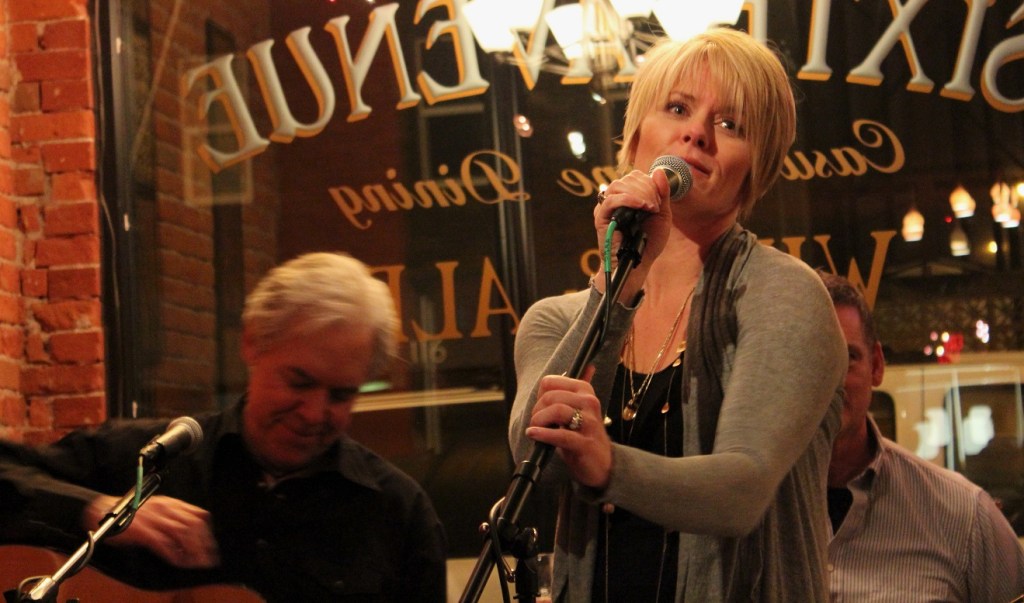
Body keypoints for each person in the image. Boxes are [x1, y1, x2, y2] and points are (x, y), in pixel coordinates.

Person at [509, 28, 847, 602]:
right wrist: (618, 287)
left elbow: (741, 490)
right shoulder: (554, 320)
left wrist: (609, 465)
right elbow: (534, 463)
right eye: (677, 108)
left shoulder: (783, 294)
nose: (697, 133)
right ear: (636, 135)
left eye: (730, 124)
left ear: (756, 166)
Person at [0, 252, 447, 602]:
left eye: (341, 395)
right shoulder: (150, 459)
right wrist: (95, 509)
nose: (314, 414)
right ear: (252, 343)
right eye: (299, 382)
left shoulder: (398, 514)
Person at [818, 270, 1024, 602]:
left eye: (847, 358)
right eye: (809, 359)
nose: (828, 378)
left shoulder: (965, 519)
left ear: (876, 366)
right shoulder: (751, 514)